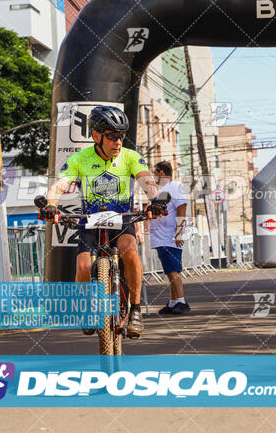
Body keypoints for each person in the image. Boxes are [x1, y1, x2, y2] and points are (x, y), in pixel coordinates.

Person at [41, 105, 164, 339]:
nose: (118, 142)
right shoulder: (80, 158)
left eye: (121, 136)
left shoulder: (130, 157)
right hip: (91, 219)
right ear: (96, 135)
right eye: (112, 136)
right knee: (84, 266)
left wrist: (155, 199)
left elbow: (146, 180)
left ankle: (135, 309)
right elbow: (60, 183)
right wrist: (51, 205)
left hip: (121, 219)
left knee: (130, 252)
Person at [150, 161, 190, 315]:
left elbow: (182, 208)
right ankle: (173, 302)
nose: (154, 176)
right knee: (169, 271)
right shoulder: (163, 190)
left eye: (155, 172)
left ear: (161, 173)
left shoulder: (175, 187)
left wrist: (179, 232)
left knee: (174, 271)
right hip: (161, 238)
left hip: (170, 237)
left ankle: (181, 301)